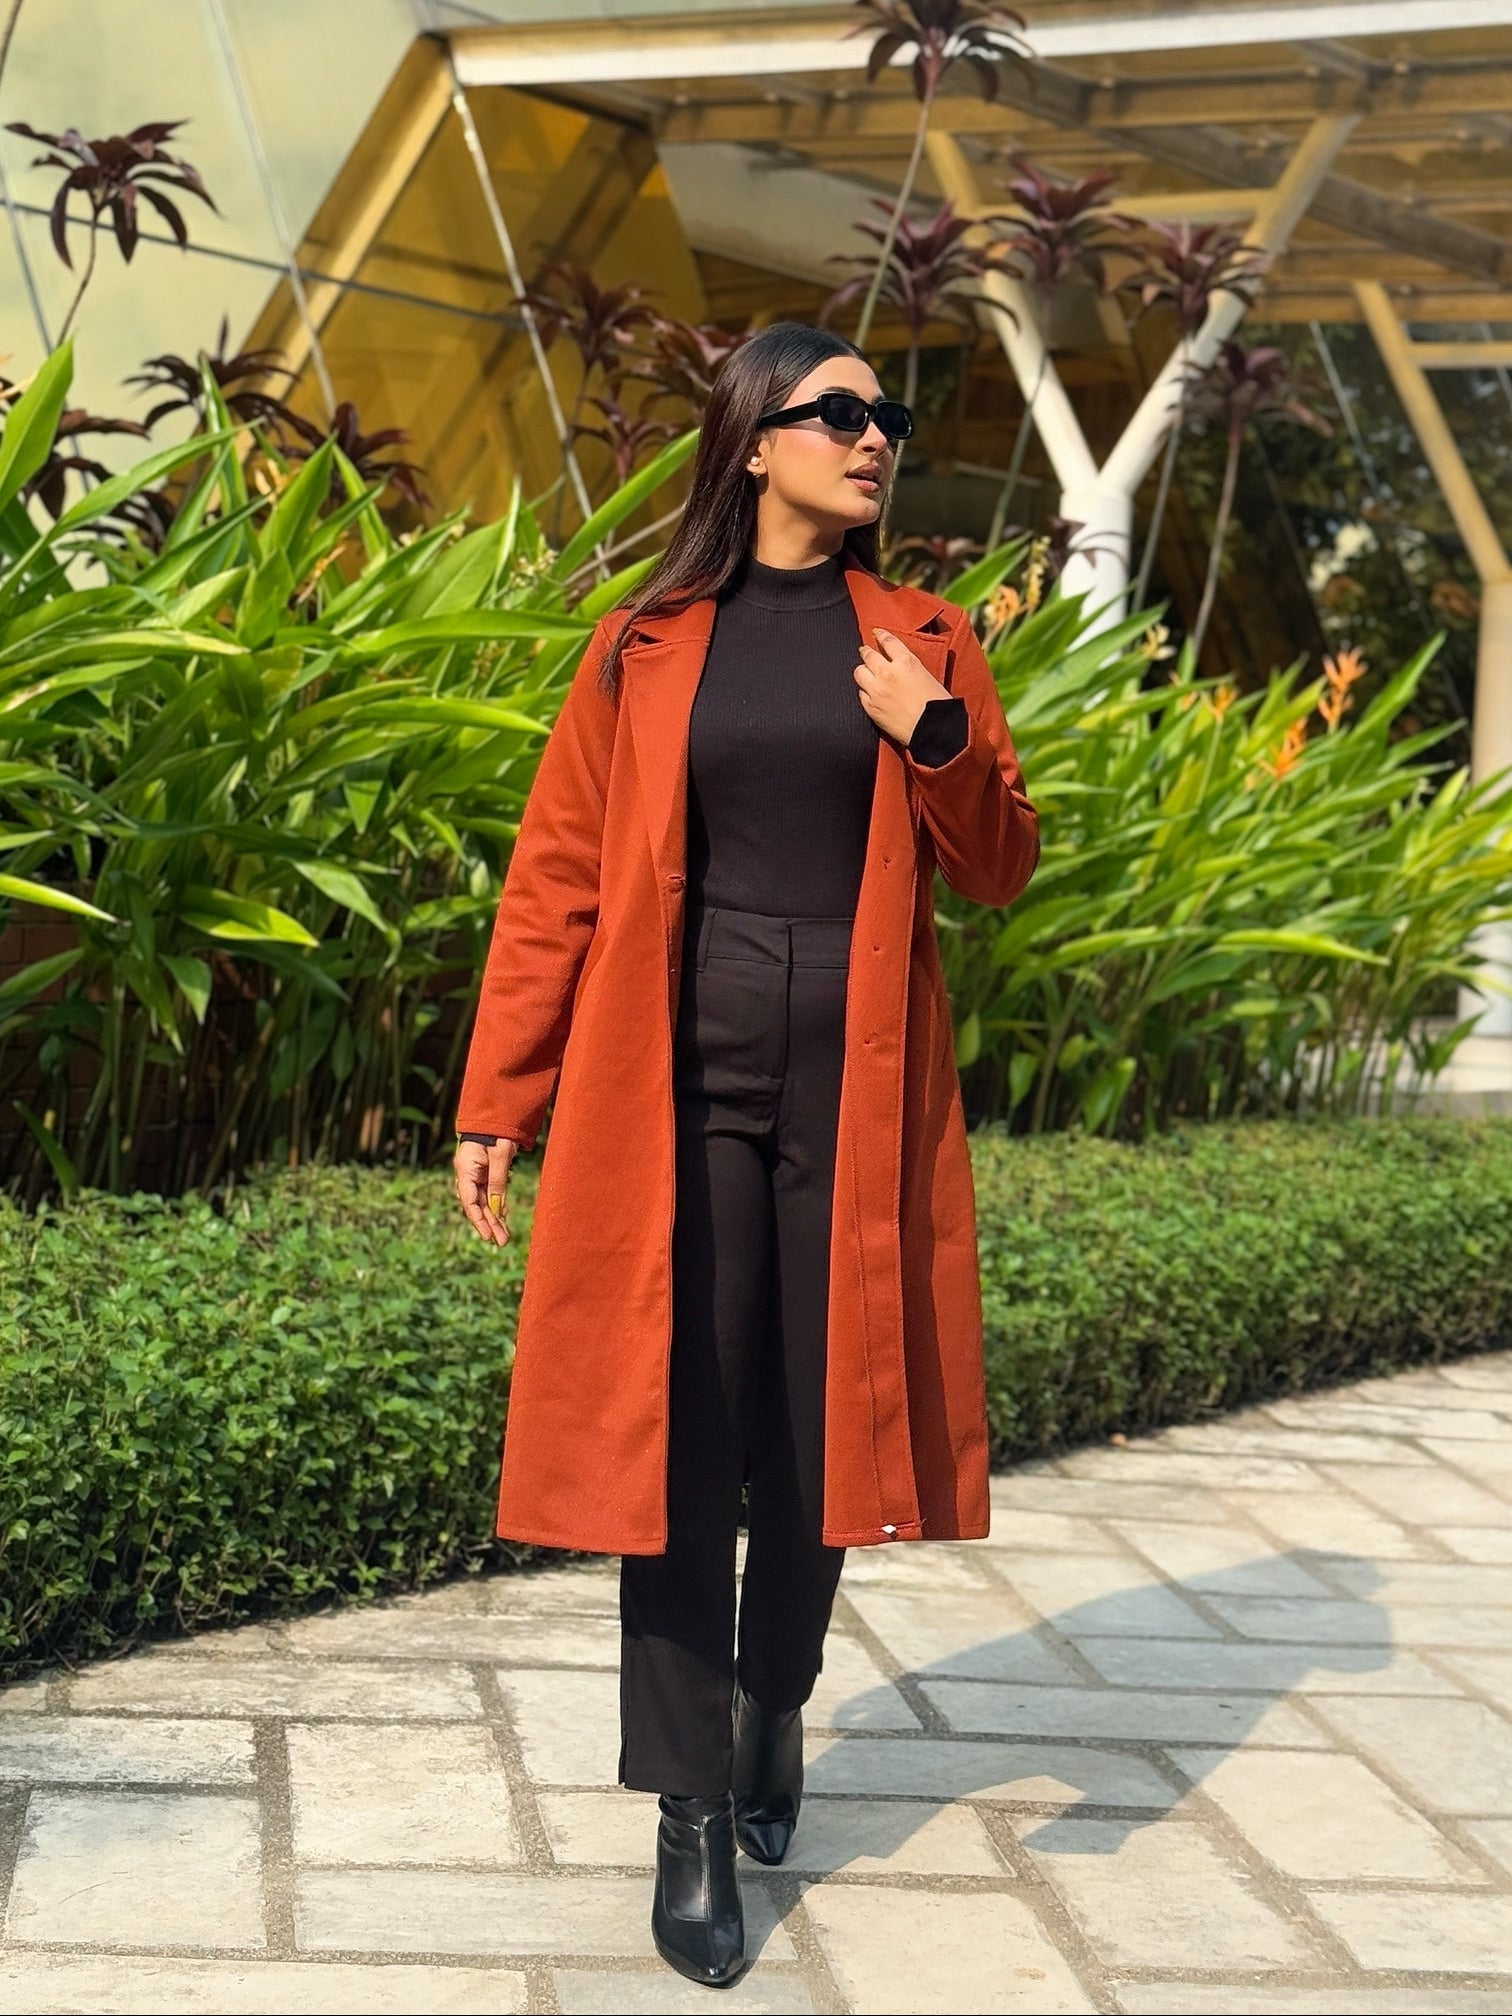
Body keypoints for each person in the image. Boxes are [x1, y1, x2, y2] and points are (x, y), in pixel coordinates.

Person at [452, 320, 1040, 1989]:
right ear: (756, 440)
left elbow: (1000, 863)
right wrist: (503, 1094)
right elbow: (560, 872)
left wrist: (936, 736)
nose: (874, 438)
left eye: (887, 416)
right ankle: (690, 1809)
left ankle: (776, 1697)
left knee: (813, 1421)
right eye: (838, 413)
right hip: (677, 1072)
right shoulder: (648, 641)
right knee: (681, 1436)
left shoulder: (923, 638)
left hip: (849, 1076)